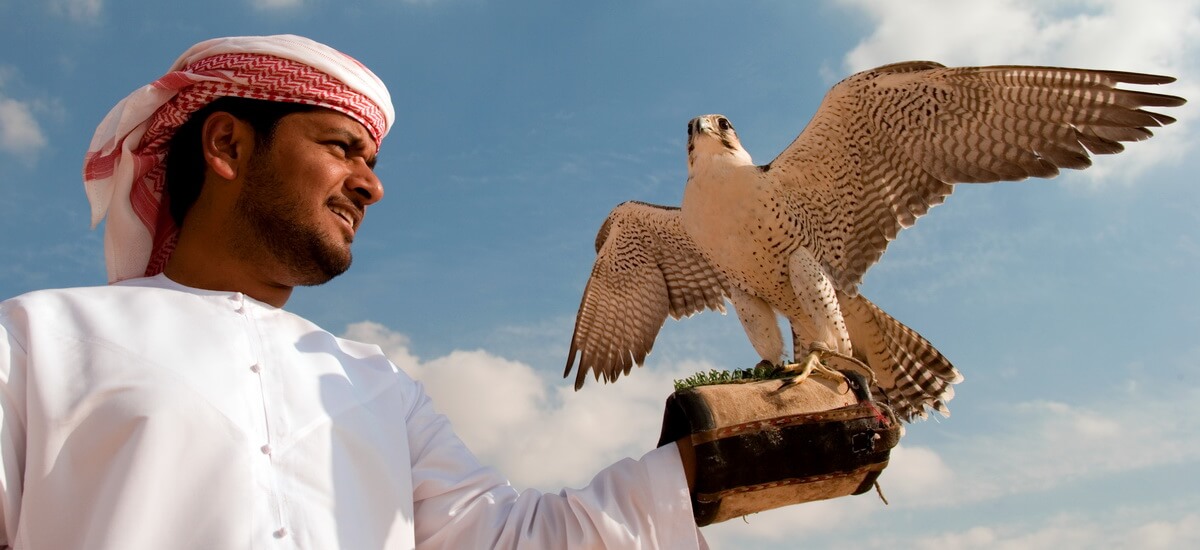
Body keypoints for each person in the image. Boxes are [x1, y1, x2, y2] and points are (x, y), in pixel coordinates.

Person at [0, 35, 704, 549]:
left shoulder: (381, 387)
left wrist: (727, 456)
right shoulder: (41, 341)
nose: (372, 185)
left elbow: (515, 540)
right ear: (228, 146)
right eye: (341, 148)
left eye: (371, 161)